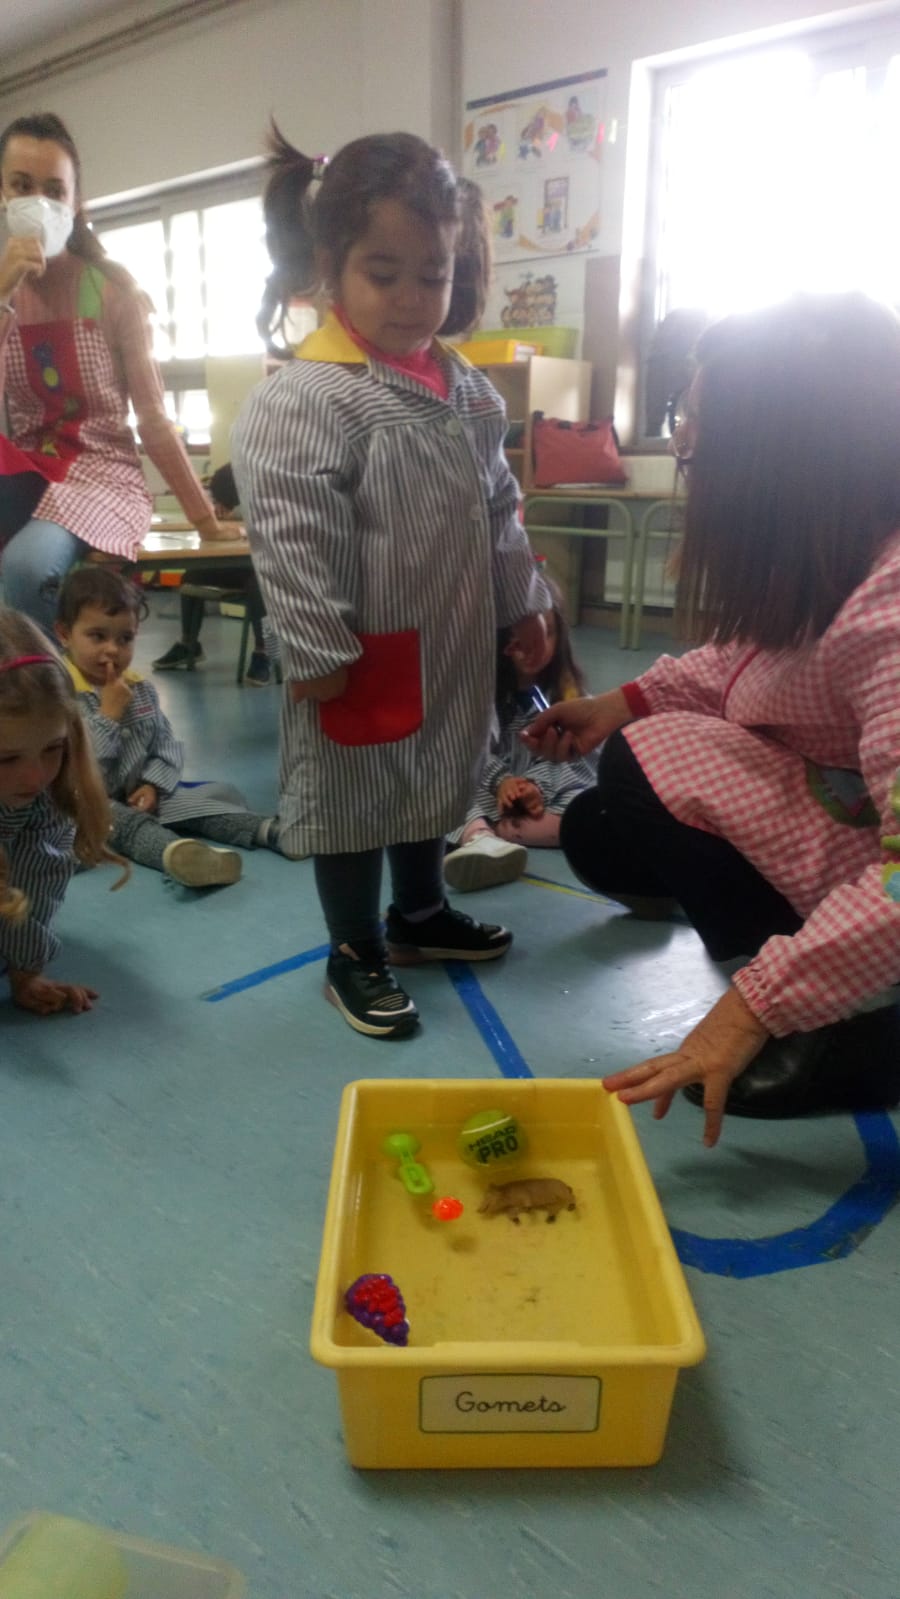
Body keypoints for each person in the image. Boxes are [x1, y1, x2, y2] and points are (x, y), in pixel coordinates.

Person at [525, 291, 900, 1147]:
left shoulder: (890, 614)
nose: (682, 447)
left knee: (643, 765)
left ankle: (857, 1018)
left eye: (699, 432)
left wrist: (754, 1006)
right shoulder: (847, 538)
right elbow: (752, 657)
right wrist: (620, 701)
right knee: (601, 819)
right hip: (846, 802)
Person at [232, 128, 550, 1039]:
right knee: (353, 797)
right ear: (330, 265)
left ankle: (419, 913)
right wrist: (315, 648)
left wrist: (524, 603)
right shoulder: (308, 396)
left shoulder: (465, 388)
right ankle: (353, 948)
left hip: (448, 640)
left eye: (433, 274)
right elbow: (289, 533)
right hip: (358, 651)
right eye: (385, 273)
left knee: (435, 775)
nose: (413, 299)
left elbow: (501, 508)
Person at [0, 112, 236, 631]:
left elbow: (152, 417)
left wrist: (204, 518)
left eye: (54, 191)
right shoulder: (3, 290)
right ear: (2, 194)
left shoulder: (113, 292)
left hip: (100, 477)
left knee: (26, 569)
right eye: (21, 185)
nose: (38, 201)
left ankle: (48, 684)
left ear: (75, 202)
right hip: (27, 474)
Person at [55, 566, 299, 889]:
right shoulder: (57, 696)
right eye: (97, 636)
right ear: (64, 634)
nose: (113, 649)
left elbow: (166, 746)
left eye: (125, 638)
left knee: (196, 805)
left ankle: (270, 831)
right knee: (124, 824)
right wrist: (107, 717)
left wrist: (152, 786)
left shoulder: (140, 690)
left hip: (140, 796)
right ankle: (178, 855)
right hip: (86, 808)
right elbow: (74, 774)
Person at [0, 606, 125, 1014]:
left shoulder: (48, 793)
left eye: (53, 748)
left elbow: (37, 880)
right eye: (7, 758)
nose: (35, 776)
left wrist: (26, 972)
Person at [444, 576, 595, 892]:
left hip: (537, 793)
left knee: (582, 796)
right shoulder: (479, 691)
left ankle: (502, 832)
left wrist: (532, 788)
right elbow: (469, 748)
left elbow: (568, 760)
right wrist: (502, 782)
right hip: (487, 785)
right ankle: (479, 837)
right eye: (519, 639)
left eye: (547, 634)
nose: (533, 649)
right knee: (446, 785)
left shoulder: (564, 694)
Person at [152, 462, 276, 685]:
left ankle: (264, 651)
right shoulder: (228, 497)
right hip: (241, 565)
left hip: (269, 569)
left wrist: (236, 524)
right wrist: (218, 519)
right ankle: (189, 644)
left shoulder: (267, 499)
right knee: (192, 575)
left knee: (258, 584)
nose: (220, 505)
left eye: (223, 502)